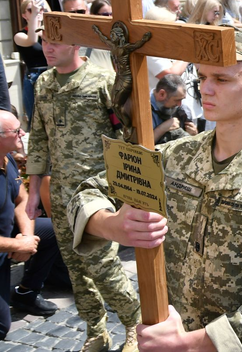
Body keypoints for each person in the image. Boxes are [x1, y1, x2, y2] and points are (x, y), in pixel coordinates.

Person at [67, 28, 242, 351]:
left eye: (222, 80)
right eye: (202, 76)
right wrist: (111, 225)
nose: (206, 89)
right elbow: (87, 191)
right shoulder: (176, 157)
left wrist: (190, 344)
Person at [25, 34, 140, 352]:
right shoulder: (43, 83)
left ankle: (134, 325)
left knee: (101, 263)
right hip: (61, 191)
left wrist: (128, 190)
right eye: (44, 41)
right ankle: (96, 332)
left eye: (56, 42)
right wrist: (35, 192)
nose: (48, 48)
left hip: (97, 190)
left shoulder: (102, 80)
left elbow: (127, 132)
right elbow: (38, 139)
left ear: (76, 45)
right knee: (76, 268)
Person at [0, 110, 61, 340]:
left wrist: (27, 238)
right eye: (15, 131)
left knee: (53, 232)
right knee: (1, 327)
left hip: (9, 235)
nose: (22, 133)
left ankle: (26, 292)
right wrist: (14, 245)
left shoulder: (7, 158)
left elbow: (21, 197)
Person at [14, 0, 48, 124]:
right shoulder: (20, 35)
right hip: (35, 77)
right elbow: (32, 40)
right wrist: (34, 16)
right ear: (24, 15)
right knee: (36, 122)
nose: (37, 11)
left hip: (53, 74)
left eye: (40, 9)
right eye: (30, 10)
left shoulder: (49, 33)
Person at [151, 74, 197, 145]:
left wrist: (194, 135)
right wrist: (162, 129)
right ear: (162, 94)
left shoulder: (183, 109)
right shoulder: (142, 109)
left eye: (182, 99)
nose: (179, 104)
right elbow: (141, 147)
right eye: (177, 100)